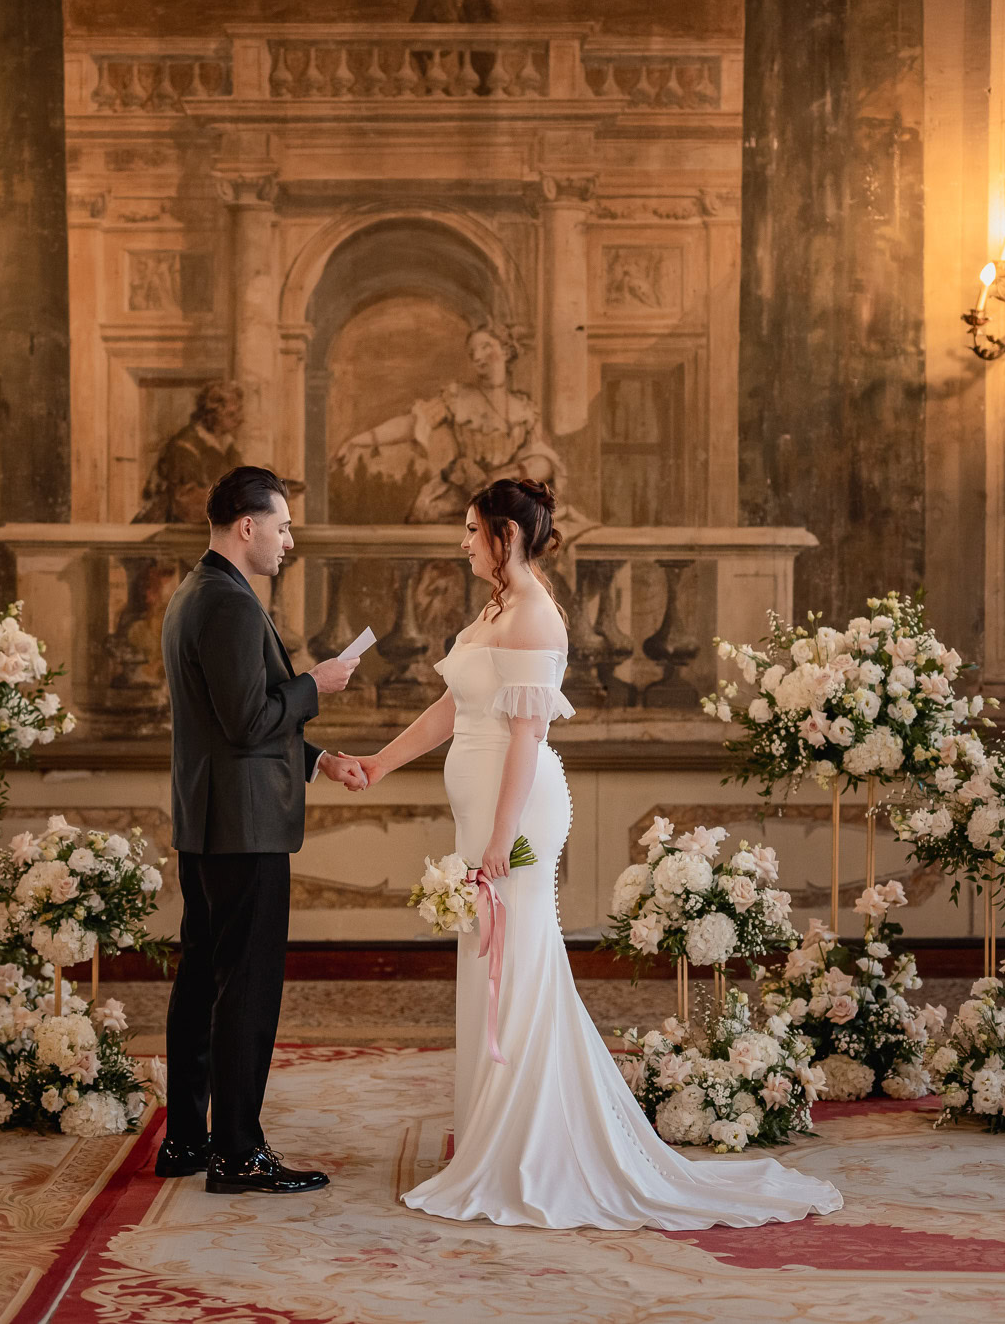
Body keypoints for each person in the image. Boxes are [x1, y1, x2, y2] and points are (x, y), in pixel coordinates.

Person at [348, 478, 844, 1229]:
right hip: (485, 810)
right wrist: (379, 762)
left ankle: (530, 1146)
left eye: (472, 530)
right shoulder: (495, 609)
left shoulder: (537, 618)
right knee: (492, 961)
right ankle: (495, 1130)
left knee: (518, 962)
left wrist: (496, 838)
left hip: (514, 814)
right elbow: (456, 706)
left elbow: (526, 736)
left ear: (504, 538)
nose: (462, 542)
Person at [157, 466, 368, 1193]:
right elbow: (250, 721)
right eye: (281, 528)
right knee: (245, 987)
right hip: (243, 828)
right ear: (246, 526)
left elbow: (229, 723)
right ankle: (239, 1152)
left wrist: (317, 760)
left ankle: (186, 1138)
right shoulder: (232, 603)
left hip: (210, 818)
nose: (286, 541)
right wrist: (317, 685)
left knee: (201, 979)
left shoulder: (197, 592)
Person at [331, 322, 567, 524]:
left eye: (486, 347)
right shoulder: (459, 397)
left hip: (506, 499)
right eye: (472, 351)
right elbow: (411, 424)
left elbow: (544, 462)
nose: (477, 356)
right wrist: (358, 441)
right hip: (459, 495)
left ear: (506, 351)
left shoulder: (524, 408)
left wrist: (502, 477)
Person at [135, 379, 248, 524]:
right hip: (175, 530)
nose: (241, 419)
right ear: (212, 413)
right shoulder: (185, 446)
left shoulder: (228, 447)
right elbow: (187, 504)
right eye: (232, 414)